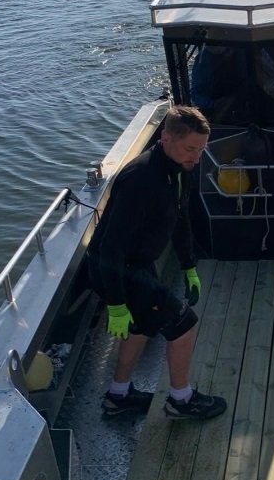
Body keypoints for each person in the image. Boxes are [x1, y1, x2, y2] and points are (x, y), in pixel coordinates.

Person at [87, 105, 227, 420]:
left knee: (143, 326)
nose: (197, 157)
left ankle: (118, 396)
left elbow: (180, 220)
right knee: (183, 324)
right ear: (165, 137)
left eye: (201, 150)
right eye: (191, 148)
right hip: (118, 268)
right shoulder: (140, 178)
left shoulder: (179, 170)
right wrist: (116, 303)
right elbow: (110, 247)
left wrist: (189, 266)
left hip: (139, 262)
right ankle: (181, 401)